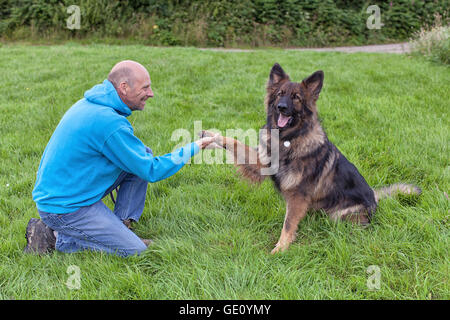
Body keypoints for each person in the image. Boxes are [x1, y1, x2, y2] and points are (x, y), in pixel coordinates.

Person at [24, 60, 216, 257]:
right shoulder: (108, 122)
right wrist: (194, 147)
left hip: (73, 190)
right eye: (145, 88)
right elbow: (152, 170)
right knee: (136, 250)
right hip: (65, 207)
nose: (151, 93)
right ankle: (52, 235)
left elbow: (141, 162)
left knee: (142, 155)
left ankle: (122, 225)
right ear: (124, 87)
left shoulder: (95, 103)